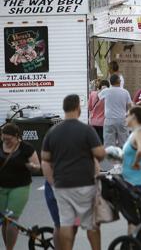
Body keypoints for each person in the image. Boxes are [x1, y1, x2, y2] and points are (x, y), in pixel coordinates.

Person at [41, 94, 105, 250]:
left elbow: (45, 160)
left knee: (66, 223)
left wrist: (53, 183)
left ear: (64, 109)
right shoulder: (86, 130)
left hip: (62, 186)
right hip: (85, 184)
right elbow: (100, 154)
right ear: (78, 108)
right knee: (91, 224)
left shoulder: (52, 132)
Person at [0, 122, 40, 250]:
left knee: (11, 219)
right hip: (1, 187)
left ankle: (9, 249)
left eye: (9, 139)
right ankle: (8, 247)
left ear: (17, 136)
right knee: (3, 220)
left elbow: (38, 166)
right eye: (3, 138)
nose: (6, 141)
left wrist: (32, 167)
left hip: (20, 186)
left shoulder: (26, 148)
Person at [100, 73, 132, 149]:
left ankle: (110, 159)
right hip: (122, 119)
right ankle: (123, 159)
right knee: (124, 142)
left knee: (109, 144)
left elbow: (98, 96)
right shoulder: (125, 92)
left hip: (109, 119)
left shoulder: (106, 91)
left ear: (110, 82)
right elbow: (130, 106)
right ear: (119, 81)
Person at [122, 106, 141, 188]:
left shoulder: (139, 132)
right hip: (130, 180)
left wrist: (135, 163)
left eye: (127, 116)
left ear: (133, 116)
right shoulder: (136, 132)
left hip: (136, 182)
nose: (125, 119)